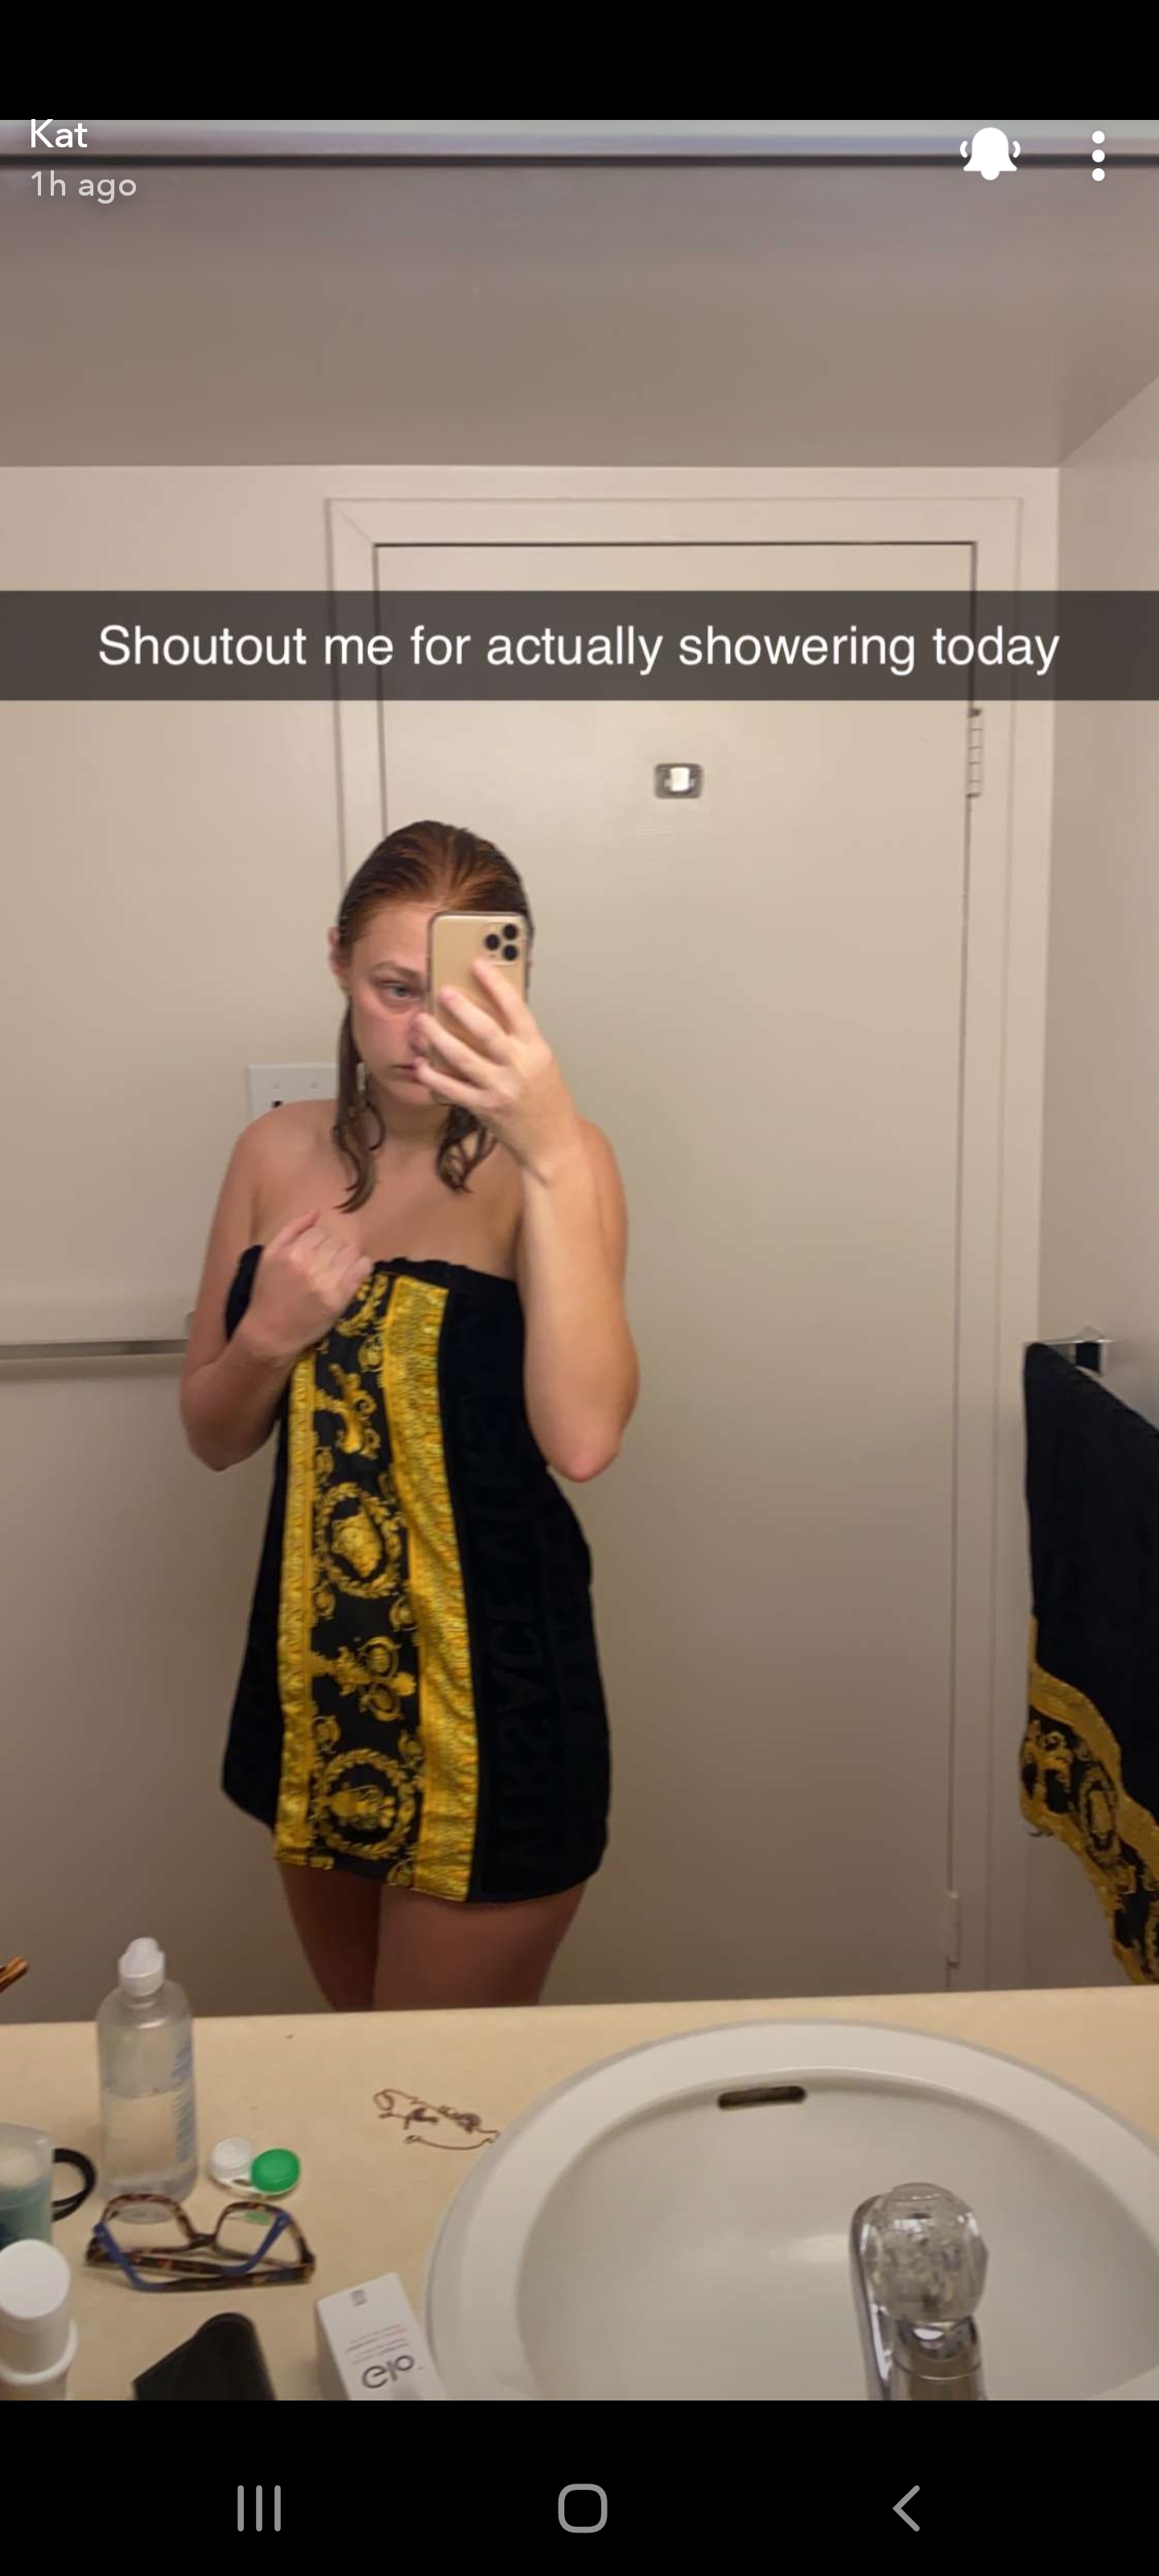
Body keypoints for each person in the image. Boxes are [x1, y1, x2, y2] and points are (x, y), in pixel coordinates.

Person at [180, 821, 637, 2011]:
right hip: (317, 1686)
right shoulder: (271, 1153)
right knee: (361, 2067)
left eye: (465, 999)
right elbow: (213, 1435)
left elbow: (583, 1439)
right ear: (338, 961)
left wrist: (549, 1155)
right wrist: (270, 1334)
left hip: (497, 1698)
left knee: (443, 2094)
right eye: (396, 989)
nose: (427, 1031)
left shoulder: (566, 1163)